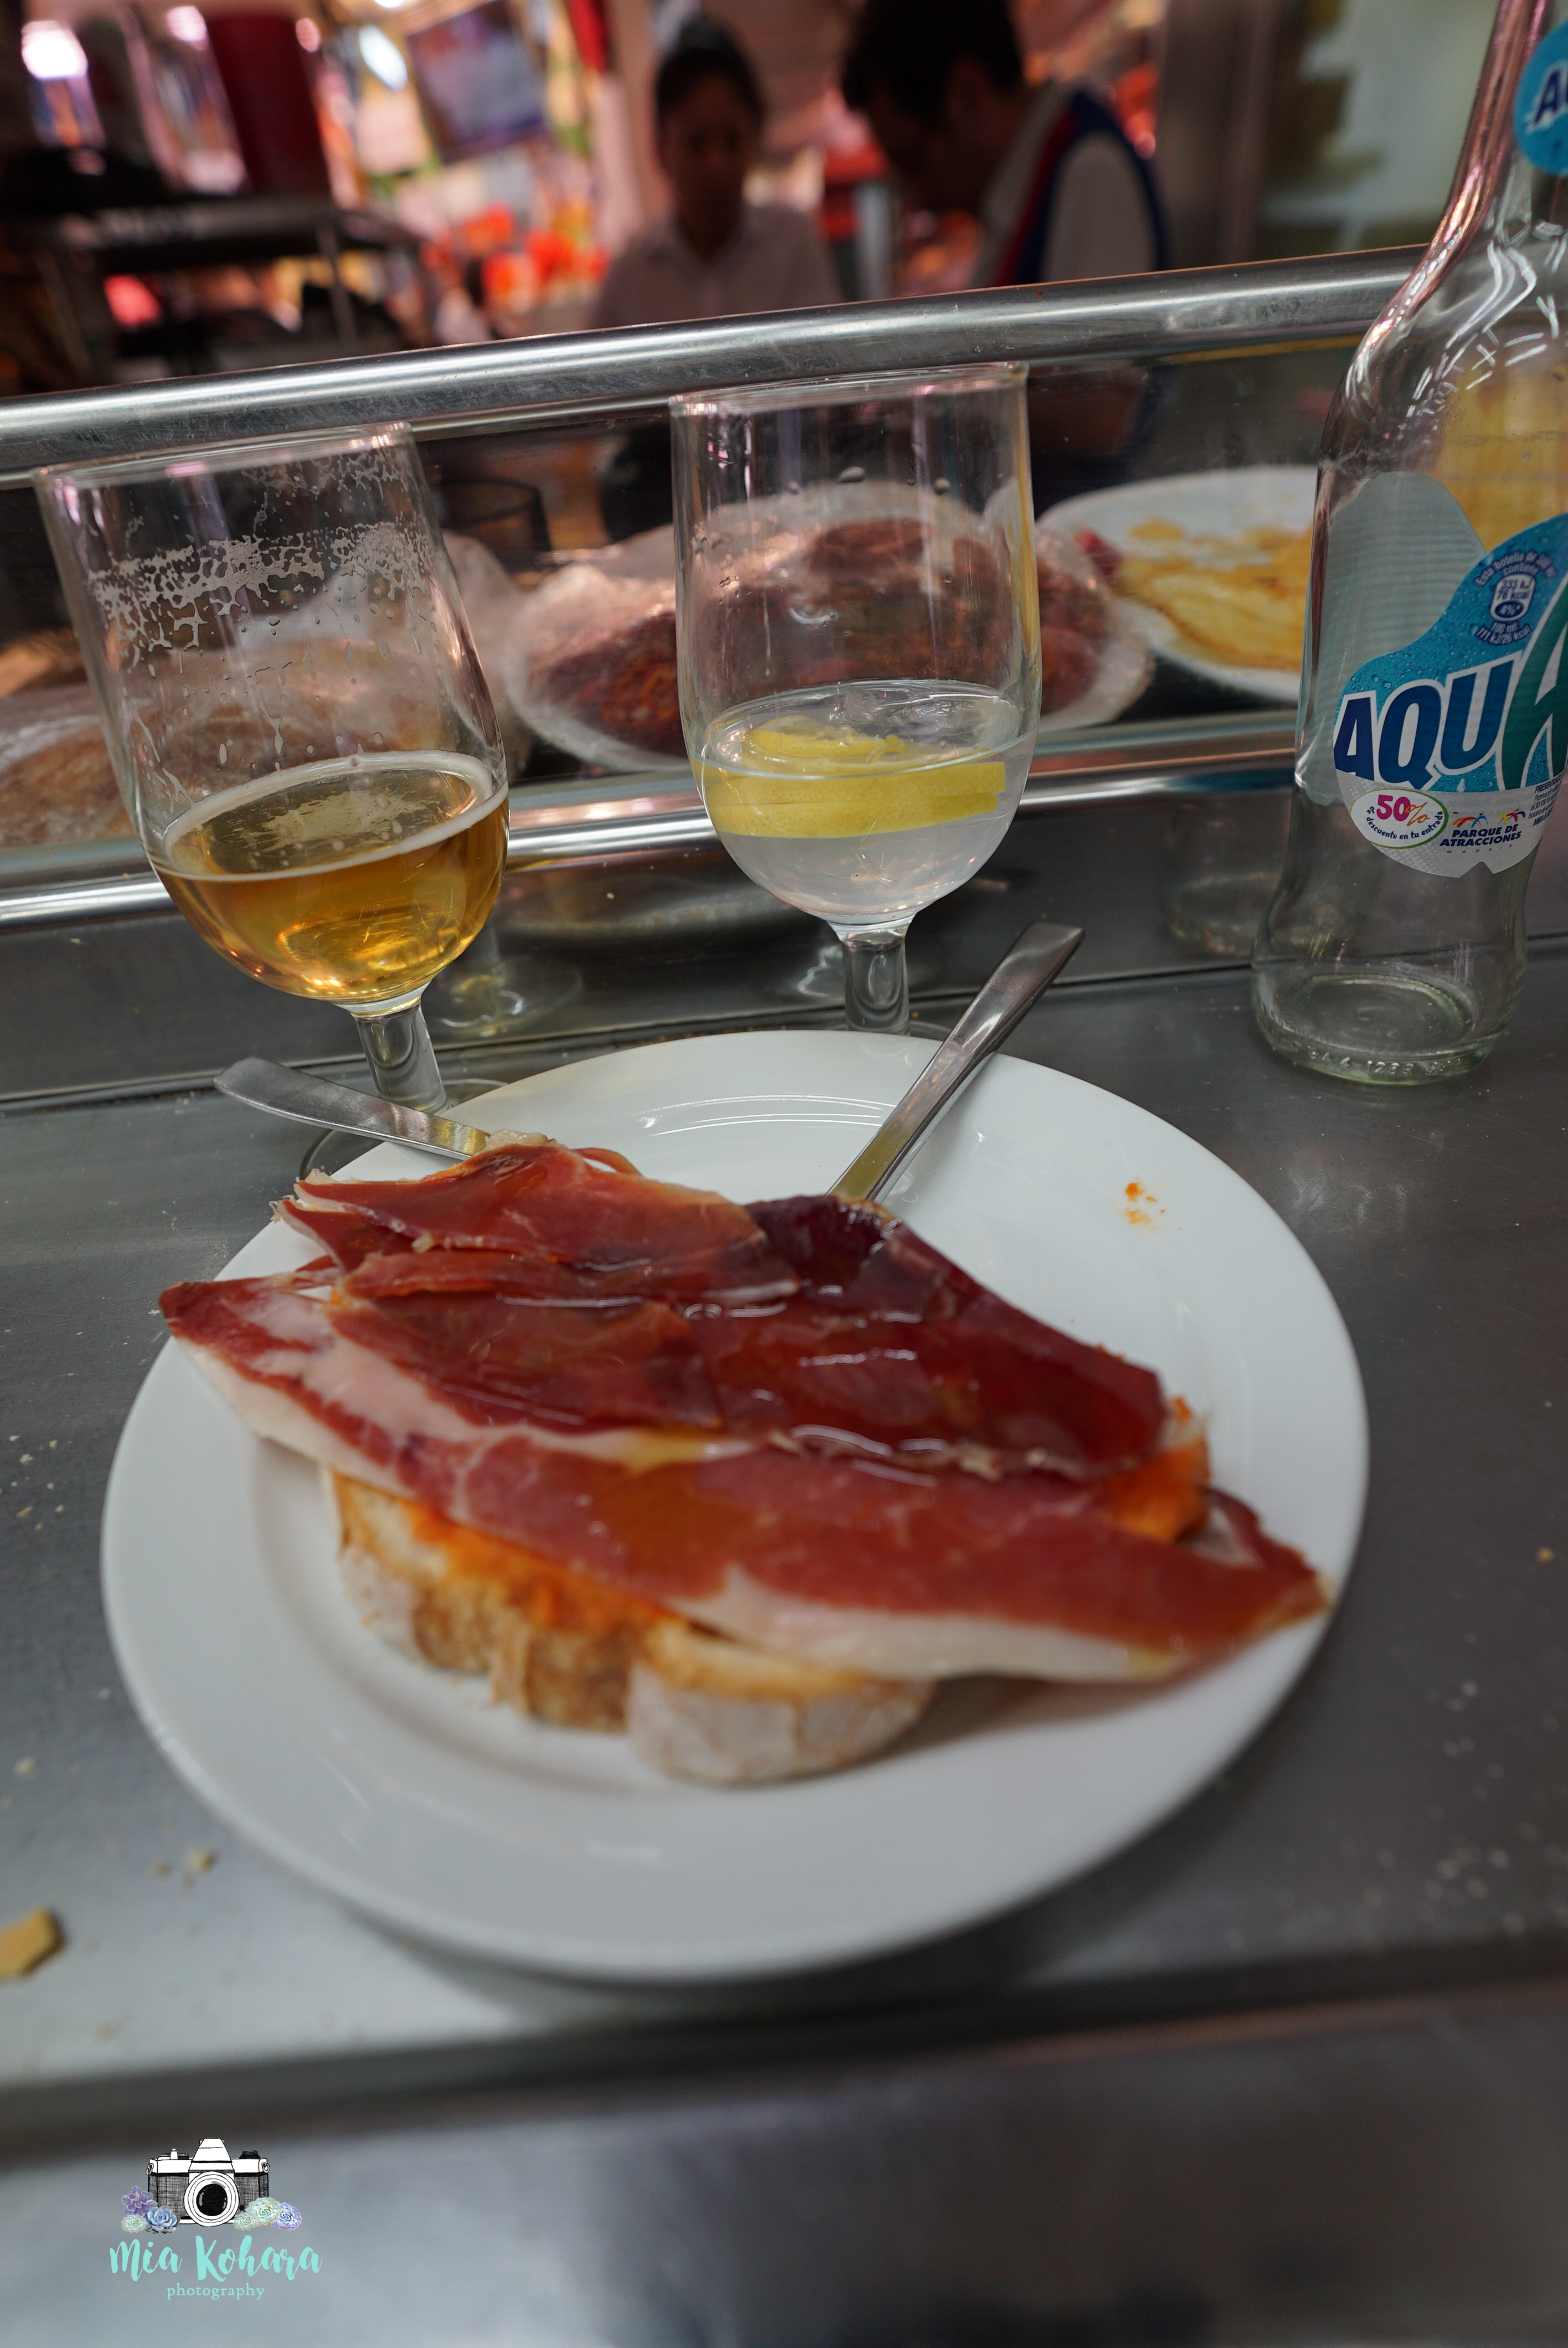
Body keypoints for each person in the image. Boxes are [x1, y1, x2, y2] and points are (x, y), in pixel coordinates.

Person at [840, 0, 1165, 289]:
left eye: (914, 160)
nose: (917, 199)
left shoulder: (1090, 170)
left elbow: (1097, 340)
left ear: (969, 94)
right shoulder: (1027, 185)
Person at [592, 19, 839, 331]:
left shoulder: (791, 243)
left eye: (731, 140)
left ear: (754, 139)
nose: (716, 164)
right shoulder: (629, 276)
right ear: (661, 149)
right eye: (696, 143)